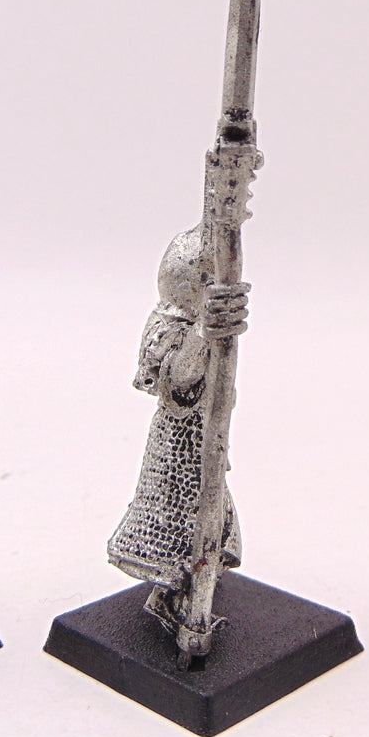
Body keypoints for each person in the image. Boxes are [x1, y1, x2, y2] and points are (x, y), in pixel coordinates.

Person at [107, 223, 249, 636]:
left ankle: (189, 592)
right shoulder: (166, 327)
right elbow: (180, 379)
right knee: (177, 522)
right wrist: (205, 328)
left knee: (213, 522)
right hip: (179, 445)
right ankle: (171, 598)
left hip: (206, 442)